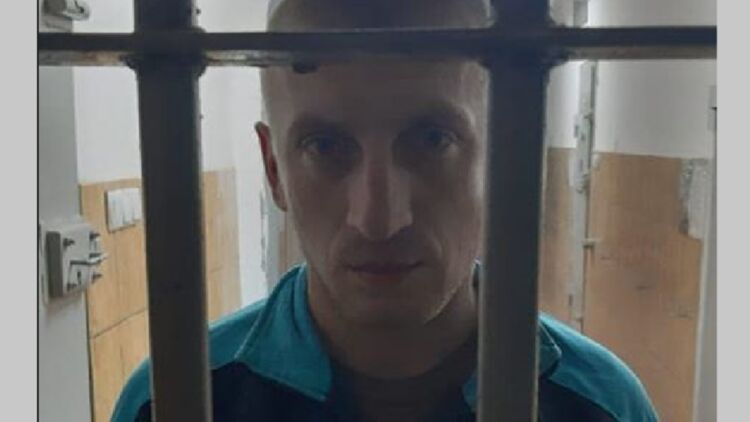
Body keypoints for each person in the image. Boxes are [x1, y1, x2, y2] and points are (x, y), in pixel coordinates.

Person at [113, 0, 658, 421]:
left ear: (502, 158)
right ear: (274, 170)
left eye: (432, 139)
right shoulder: (168, 403)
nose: (379, 219)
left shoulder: (605, 409)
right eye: (326, 146)